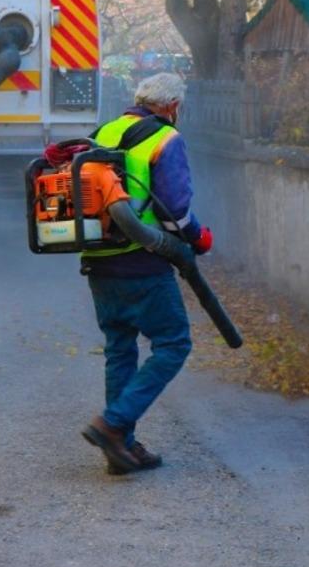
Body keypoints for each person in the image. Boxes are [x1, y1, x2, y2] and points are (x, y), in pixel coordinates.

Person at [76, 73, 212, 474]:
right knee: (173, 344)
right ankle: (112, 424)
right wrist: (198, 238)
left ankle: (122, 449)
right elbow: (175, 210)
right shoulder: (166, 138)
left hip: (99, 260)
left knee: (120, 348)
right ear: (172, 107)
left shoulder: (103, 131)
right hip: (143, 260)